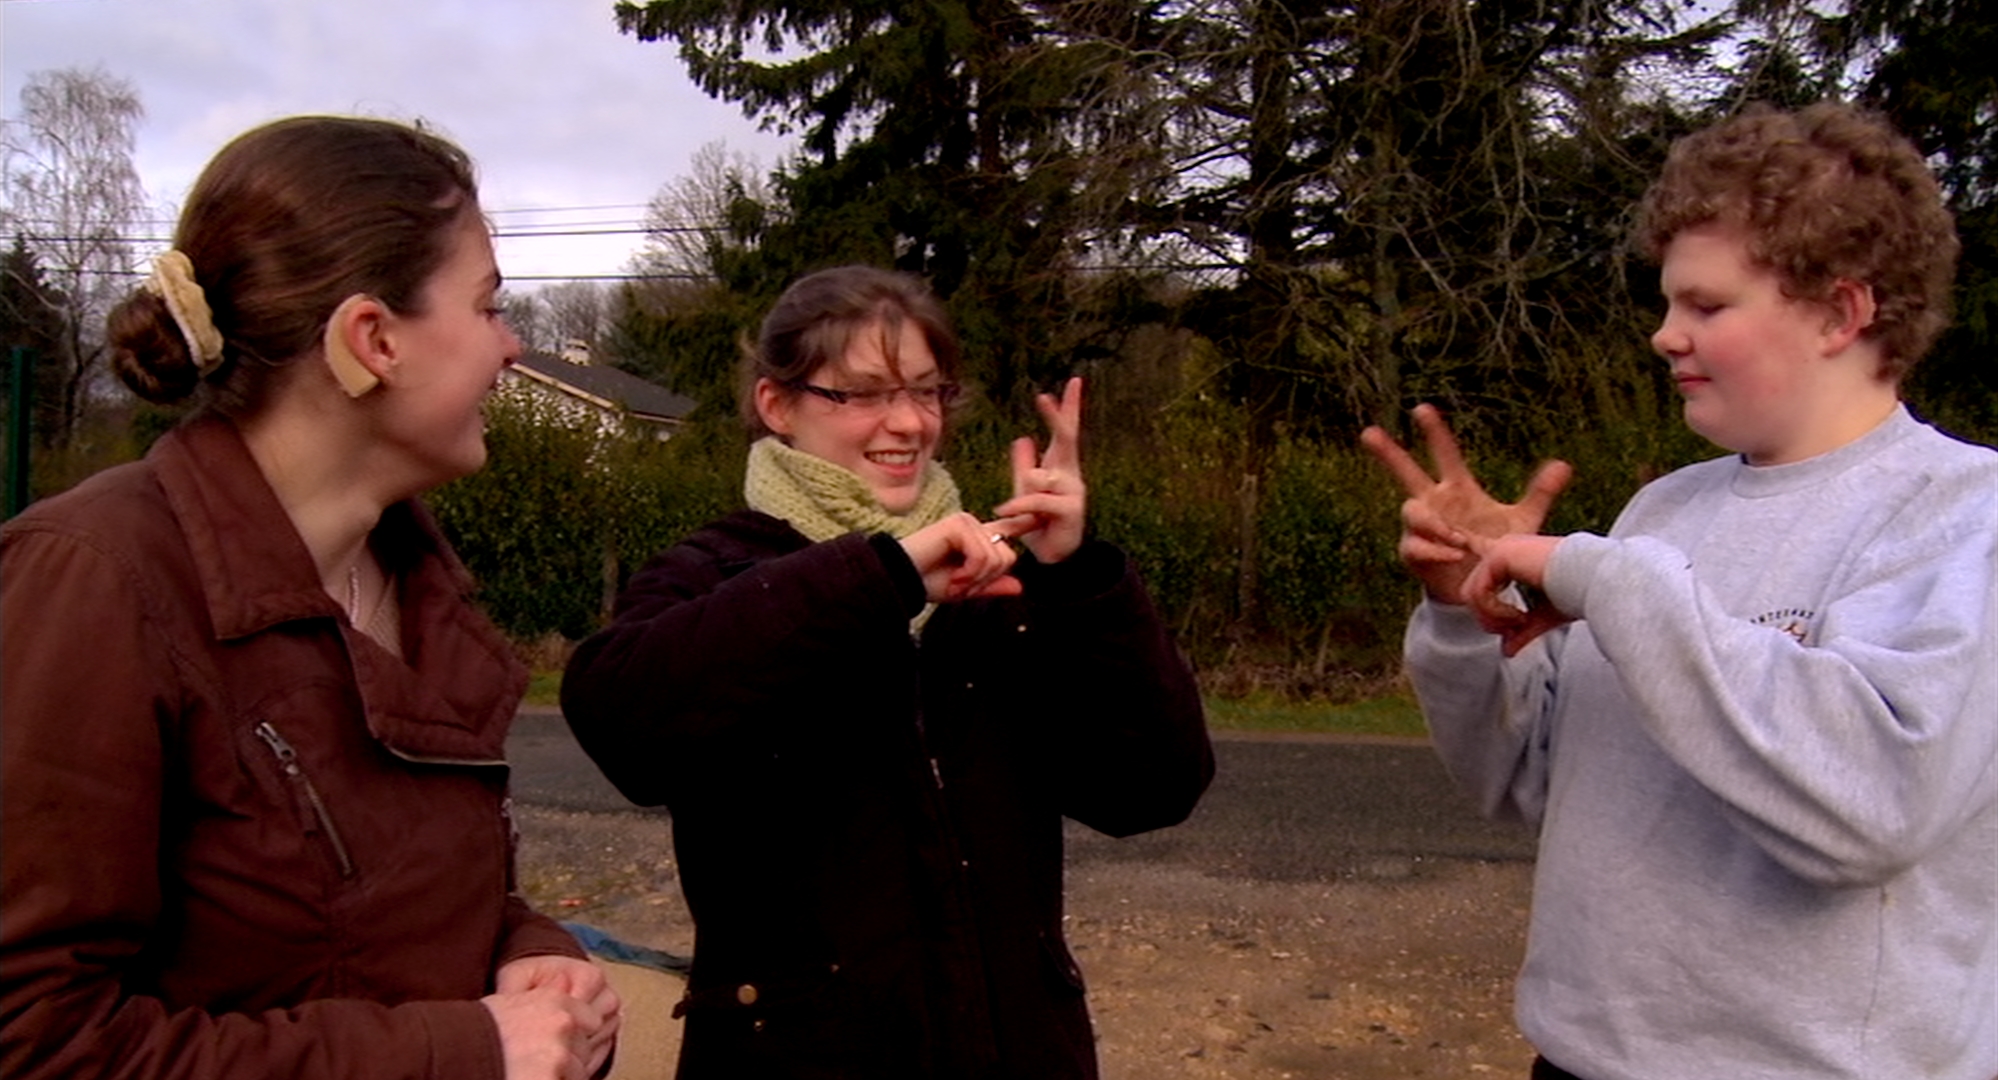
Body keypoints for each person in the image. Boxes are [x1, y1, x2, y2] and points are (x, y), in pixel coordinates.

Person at [1364, 101, 1998, 1080]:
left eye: (1707, 307)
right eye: (1667, 305)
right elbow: (1522, 779)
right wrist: (1461, 615)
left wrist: (1606, 579)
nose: (1665, 336)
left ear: (1841, 313)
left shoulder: (1960, 514)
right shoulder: (1663, 512)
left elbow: (1872, 803)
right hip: (1580, 1062)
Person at [0, 116, 620, 1080]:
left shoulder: (413, 584)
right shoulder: (97, 581)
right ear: (374, 340)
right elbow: (33, 1041)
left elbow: (381, 905)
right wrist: (461, 1052)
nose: (510, 347)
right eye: (488, 306)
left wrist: (525, 948)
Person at [560, 265, 1213, 1079]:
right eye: (863, 393)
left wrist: (1078, 577)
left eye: (928, 391)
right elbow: (622, 723)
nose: (908, 422)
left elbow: (1152, 789)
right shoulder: (712, 576)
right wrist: (884, 577)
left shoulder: (998, 582)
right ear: (777, 404)